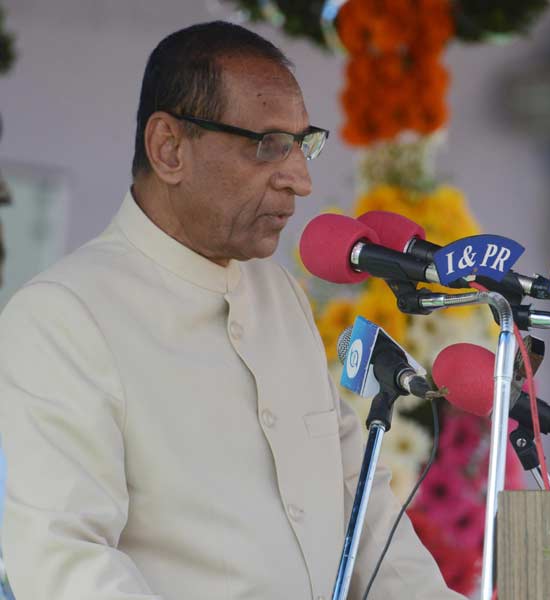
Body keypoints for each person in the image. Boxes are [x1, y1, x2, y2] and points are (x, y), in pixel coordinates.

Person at [0, 21, 463, 600]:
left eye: (302, 143)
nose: (300, 179)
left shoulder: (279, 295)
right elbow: (65, 561)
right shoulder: (63, 315)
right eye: (267, 144)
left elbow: (359, 502)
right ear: (168, 148)